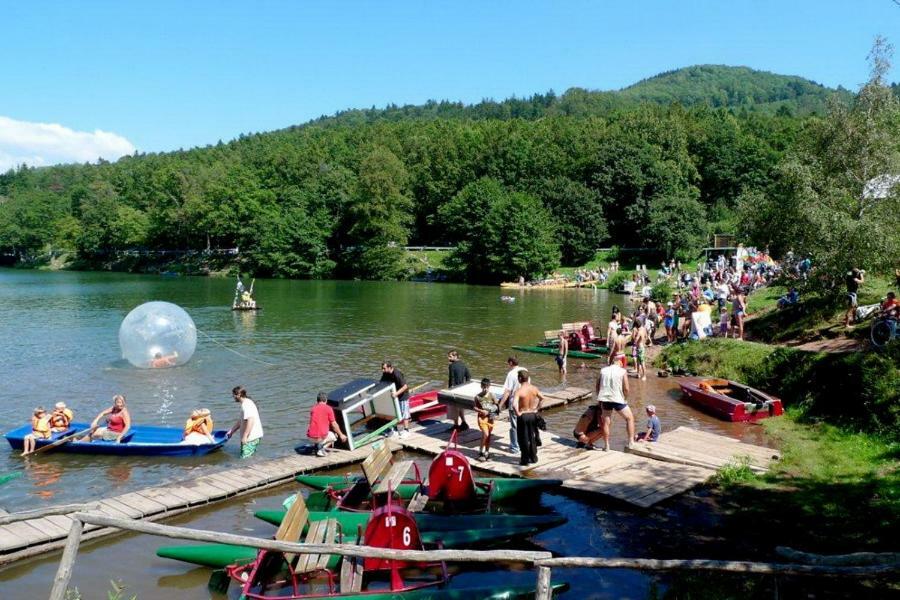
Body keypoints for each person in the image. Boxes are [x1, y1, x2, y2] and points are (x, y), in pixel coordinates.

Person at [595, 361, 634, 452]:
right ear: (620, 364)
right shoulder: (622, 371)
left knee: (606, 423)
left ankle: (606, 445)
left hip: (605, 399)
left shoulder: (603, 370)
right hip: (618, 398)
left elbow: (597, 386)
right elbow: (626, 388)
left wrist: (599, 399)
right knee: (629, 418)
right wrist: (625, 398)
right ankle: (631, 441)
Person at [513, 370, 543, 466]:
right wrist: (536, 409)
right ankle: (533, 457)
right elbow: (542, 398)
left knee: (523, 437)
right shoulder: (534, 388)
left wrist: (518, 413)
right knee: (532, 436)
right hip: (532, 414)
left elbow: (514, 405)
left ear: (520, 378)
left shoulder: (519, 390)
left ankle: (525, 459)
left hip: (524, 415)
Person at [499, 357, 526, 453]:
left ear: (510, 363)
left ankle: (515, 447)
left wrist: (500, 404)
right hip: (525, 402)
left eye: (508, 363)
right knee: (522, 424)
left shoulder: (511, 374)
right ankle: (523, 443)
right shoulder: (524, 370)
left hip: (514, 402)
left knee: (514, 426)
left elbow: (507, 391)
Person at [227, 386, 263, 458]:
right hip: (254, 437)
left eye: (233, 394)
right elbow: (241, 420)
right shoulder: (247, 402)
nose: (233, 396)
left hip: (251, 438)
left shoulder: (246, 405)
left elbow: (251, 420)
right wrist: (231, 431)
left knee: (244, 460)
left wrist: (245, 437)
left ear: (239, 395)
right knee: (250, 458)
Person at [307, 392, 347, 457]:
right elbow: (334, 424)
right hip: (319, 437)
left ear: (317, 400)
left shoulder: (313, 409)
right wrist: (341, 435)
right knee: (334, 436)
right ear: (326, 400)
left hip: (310, 437)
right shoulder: (328, 408)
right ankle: (320, 449)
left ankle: (317, 445)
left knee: (318, 431)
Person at [381, 362, 410, 438]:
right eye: (382, 368)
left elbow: (405, 386)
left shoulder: (397, 374)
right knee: (395, 413)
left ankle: (406, 430)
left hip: (403, 395)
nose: (382, 370)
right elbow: (381, 383)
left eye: (384, 368)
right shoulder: (385, 374)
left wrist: (396, 394)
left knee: (404, 413)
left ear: (390, 367)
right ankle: (395, 430)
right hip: (395, 396)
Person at [474, 378, 499, 461]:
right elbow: (475, 407)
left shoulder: (492, 395)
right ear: (481, 386)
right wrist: (481, 411)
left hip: (490, 418)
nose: (485, 389)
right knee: (486, 434)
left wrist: (489, 411)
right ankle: (481, 452)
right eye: (484, 387)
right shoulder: (477, 397)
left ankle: (486, 452)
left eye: (487, 387)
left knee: (488, 436)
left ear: (489, 386)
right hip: (482, 418)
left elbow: (497, 406)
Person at [447, 350, 471, 432]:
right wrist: (466, 386)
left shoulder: (452, 366)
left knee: (454, 409)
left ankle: (456, 425)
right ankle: (464, 423)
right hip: (462, 389)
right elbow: (468, 376)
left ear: (455, 356)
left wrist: (450, 389)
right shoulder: (463, 365)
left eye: (450, 356)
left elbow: (452, 379)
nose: (448, 358)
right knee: (460, 407)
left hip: (454, 390)